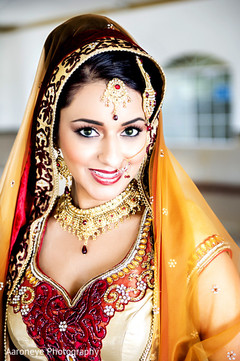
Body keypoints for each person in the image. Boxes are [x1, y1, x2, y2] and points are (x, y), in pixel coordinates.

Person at [0, 14, 240, 361]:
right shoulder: (22, 234)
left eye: (130, 131)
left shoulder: (191, 251)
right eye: (88, 131)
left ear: (150, 132)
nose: (113, 157)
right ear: (51, 130)